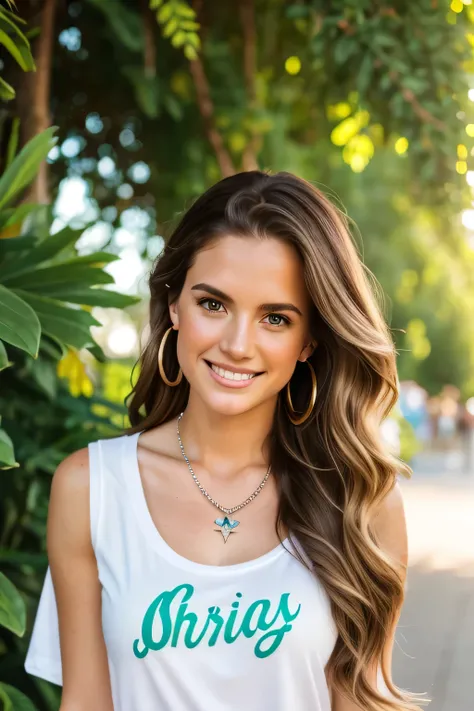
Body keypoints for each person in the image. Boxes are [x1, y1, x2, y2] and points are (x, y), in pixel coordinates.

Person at [24, 171, 428, 711]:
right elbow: (86, 703)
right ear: (174, 306)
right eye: (213, 304)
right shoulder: (91, 490)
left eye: (276, 318)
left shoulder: (360, 504)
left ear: (309, 340)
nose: (237, 344)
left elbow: (361, 701)